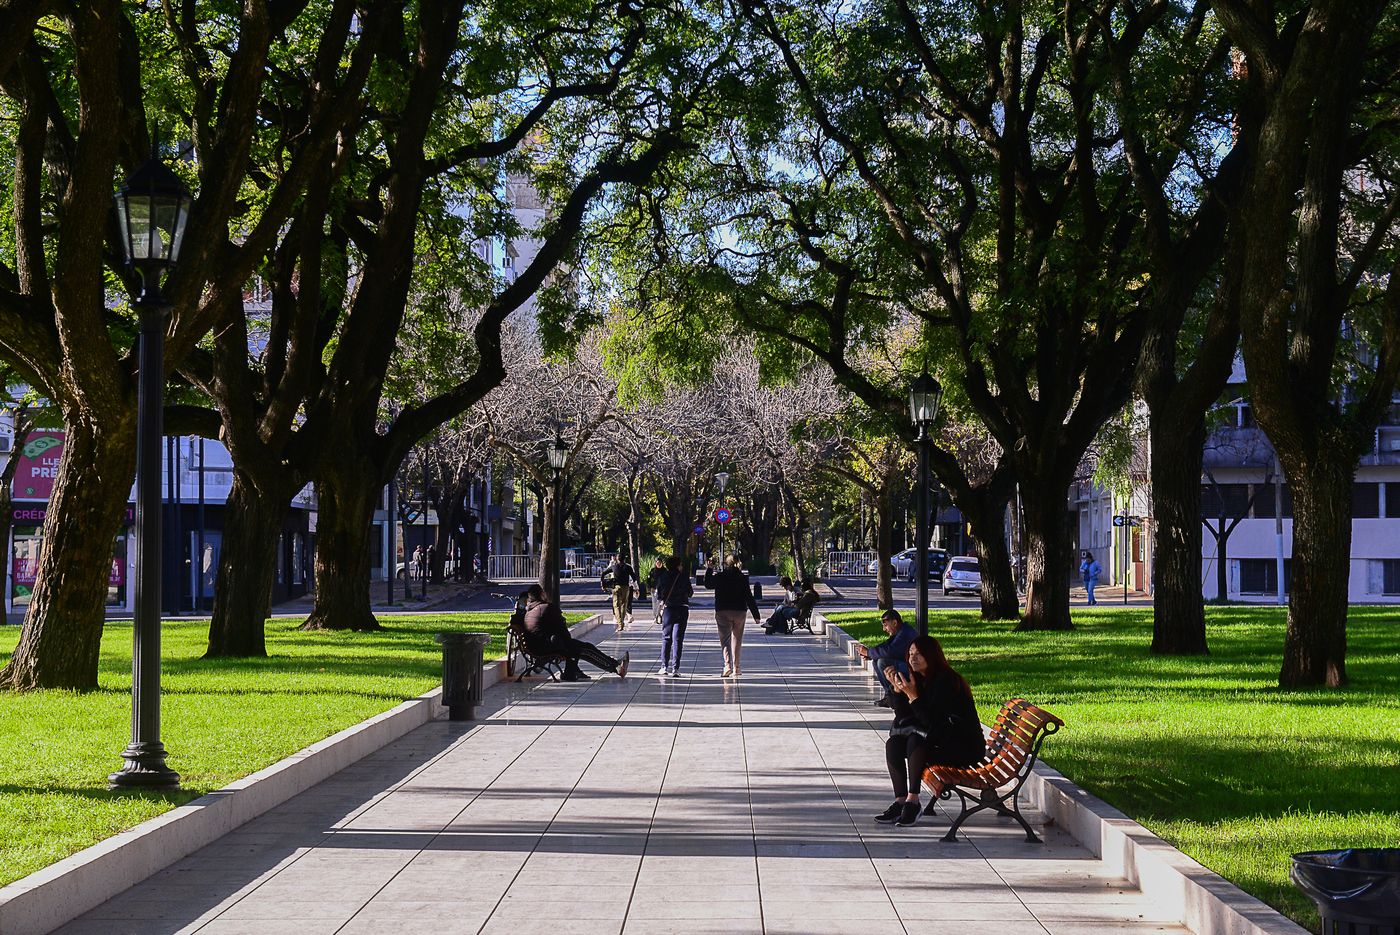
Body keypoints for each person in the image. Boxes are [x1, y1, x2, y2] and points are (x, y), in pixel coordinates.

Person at [875, 635, 984, 827]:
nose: (912, 659)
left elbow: (933, 724)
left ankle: (913, 801)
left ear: (931, 656)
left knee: (915, 740)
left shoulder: (947, 682)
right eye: (910, 654)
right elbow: (903, 719)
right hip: (940, 740)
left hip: (963, 747)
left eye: (918, 654)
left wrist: (913, 696)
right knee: (894, 743)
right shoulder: (918, 679)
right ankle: (901, 801)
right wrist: (898, 692)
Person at [521, 584, 629, 680]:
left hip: (538, 646)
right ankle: (616, 667)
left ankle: (615, 665)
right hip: (547, 647)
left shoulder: (530, 611)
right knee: (586, 648)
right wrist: (568, 642)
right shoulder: (545, 608)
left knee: (581, 647)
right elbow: (562, 629)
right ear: (541, 594)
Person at [703, 555, 761, 677]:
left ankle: (727, 665)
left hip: (723, 610)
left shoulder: (719, 577)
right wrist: (756, 614)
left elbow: (708, 584)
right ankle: (737, 667)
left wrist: (709, 569)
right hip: (740, 611)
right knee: (737, 639)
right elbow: (748, 596)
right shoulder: (742, 578)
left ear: (726, 564)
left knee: (725, 640)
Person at [857, 609, 918, 707]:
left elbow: (889, 651)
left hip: (914, 669)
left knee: (882, 662)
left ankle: (894, 696)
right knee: (876, 661)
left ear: (894, 623)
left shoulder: (905, 633)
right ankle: (889, 696)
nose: (884, 629)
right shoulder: (900, 631)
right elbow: (885, 646)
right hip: (906, 664)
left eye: (885, 625)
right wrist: (870, 654)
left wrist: (868, 652)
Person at [654, 555, 694, 676]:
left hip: (669, 609)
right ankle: (675, 668)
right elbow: (690, 593)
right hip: (682, 608)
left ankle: (664, 666)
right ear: (678, 565)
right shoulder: (683, 577)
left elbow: (659, 594)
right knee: (678, 639)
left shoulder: (663, 576)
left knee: (666, 637)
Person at [601, 554, 641, 631]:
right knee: (624, 605)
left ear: (617, 559)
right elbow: (634, 578)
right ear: (624, 559)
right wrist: (636, 588)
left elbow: (603, 573)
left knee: (616, 606)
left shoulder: (614, 567)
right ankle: (621, 622)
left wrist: (603, 583)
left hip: (616, 587)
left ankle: (620, 624)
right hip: (626, 588)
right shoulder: (628, 567)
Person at [646, 557, 666, 622]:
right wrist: (650, 587)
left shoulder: (665, 571)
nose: (658, 564)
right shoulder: (652, 571)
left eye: (660, 563)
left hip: (662, 589)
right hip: (654, 589)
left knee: (661, 603)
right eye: (657, 563)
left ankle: (659, 615)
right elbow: (648, 580)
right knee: (655, 603)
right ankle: (656, 616)